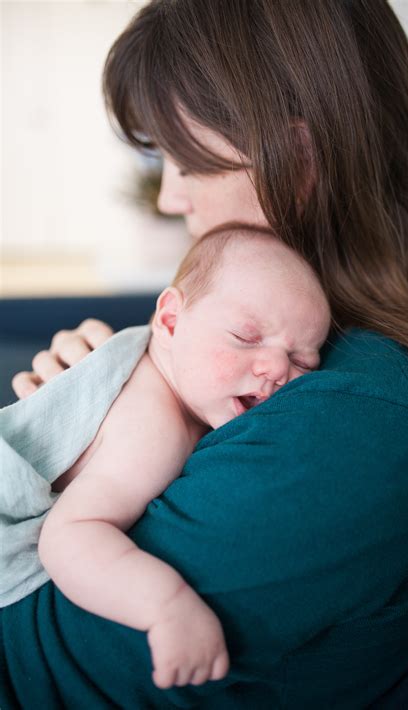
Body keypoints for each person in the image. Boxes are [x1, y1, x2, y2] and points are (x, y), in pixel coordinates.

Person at [2, 1, 408, 708]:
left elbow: (42, 678)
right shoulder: (335, 374)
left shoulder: (360, 423)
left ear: (297, 157)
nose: (168, 197)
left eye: (180, 158)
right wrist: (86, 407)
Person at [1, 226, 330, 690]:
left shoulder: (174, 370)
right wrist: (167, 605)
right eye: (246, 336)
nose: (277, 368)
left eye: (303, 362)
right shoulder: (156, 427)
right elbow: (70, 536)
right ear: (171, 319)